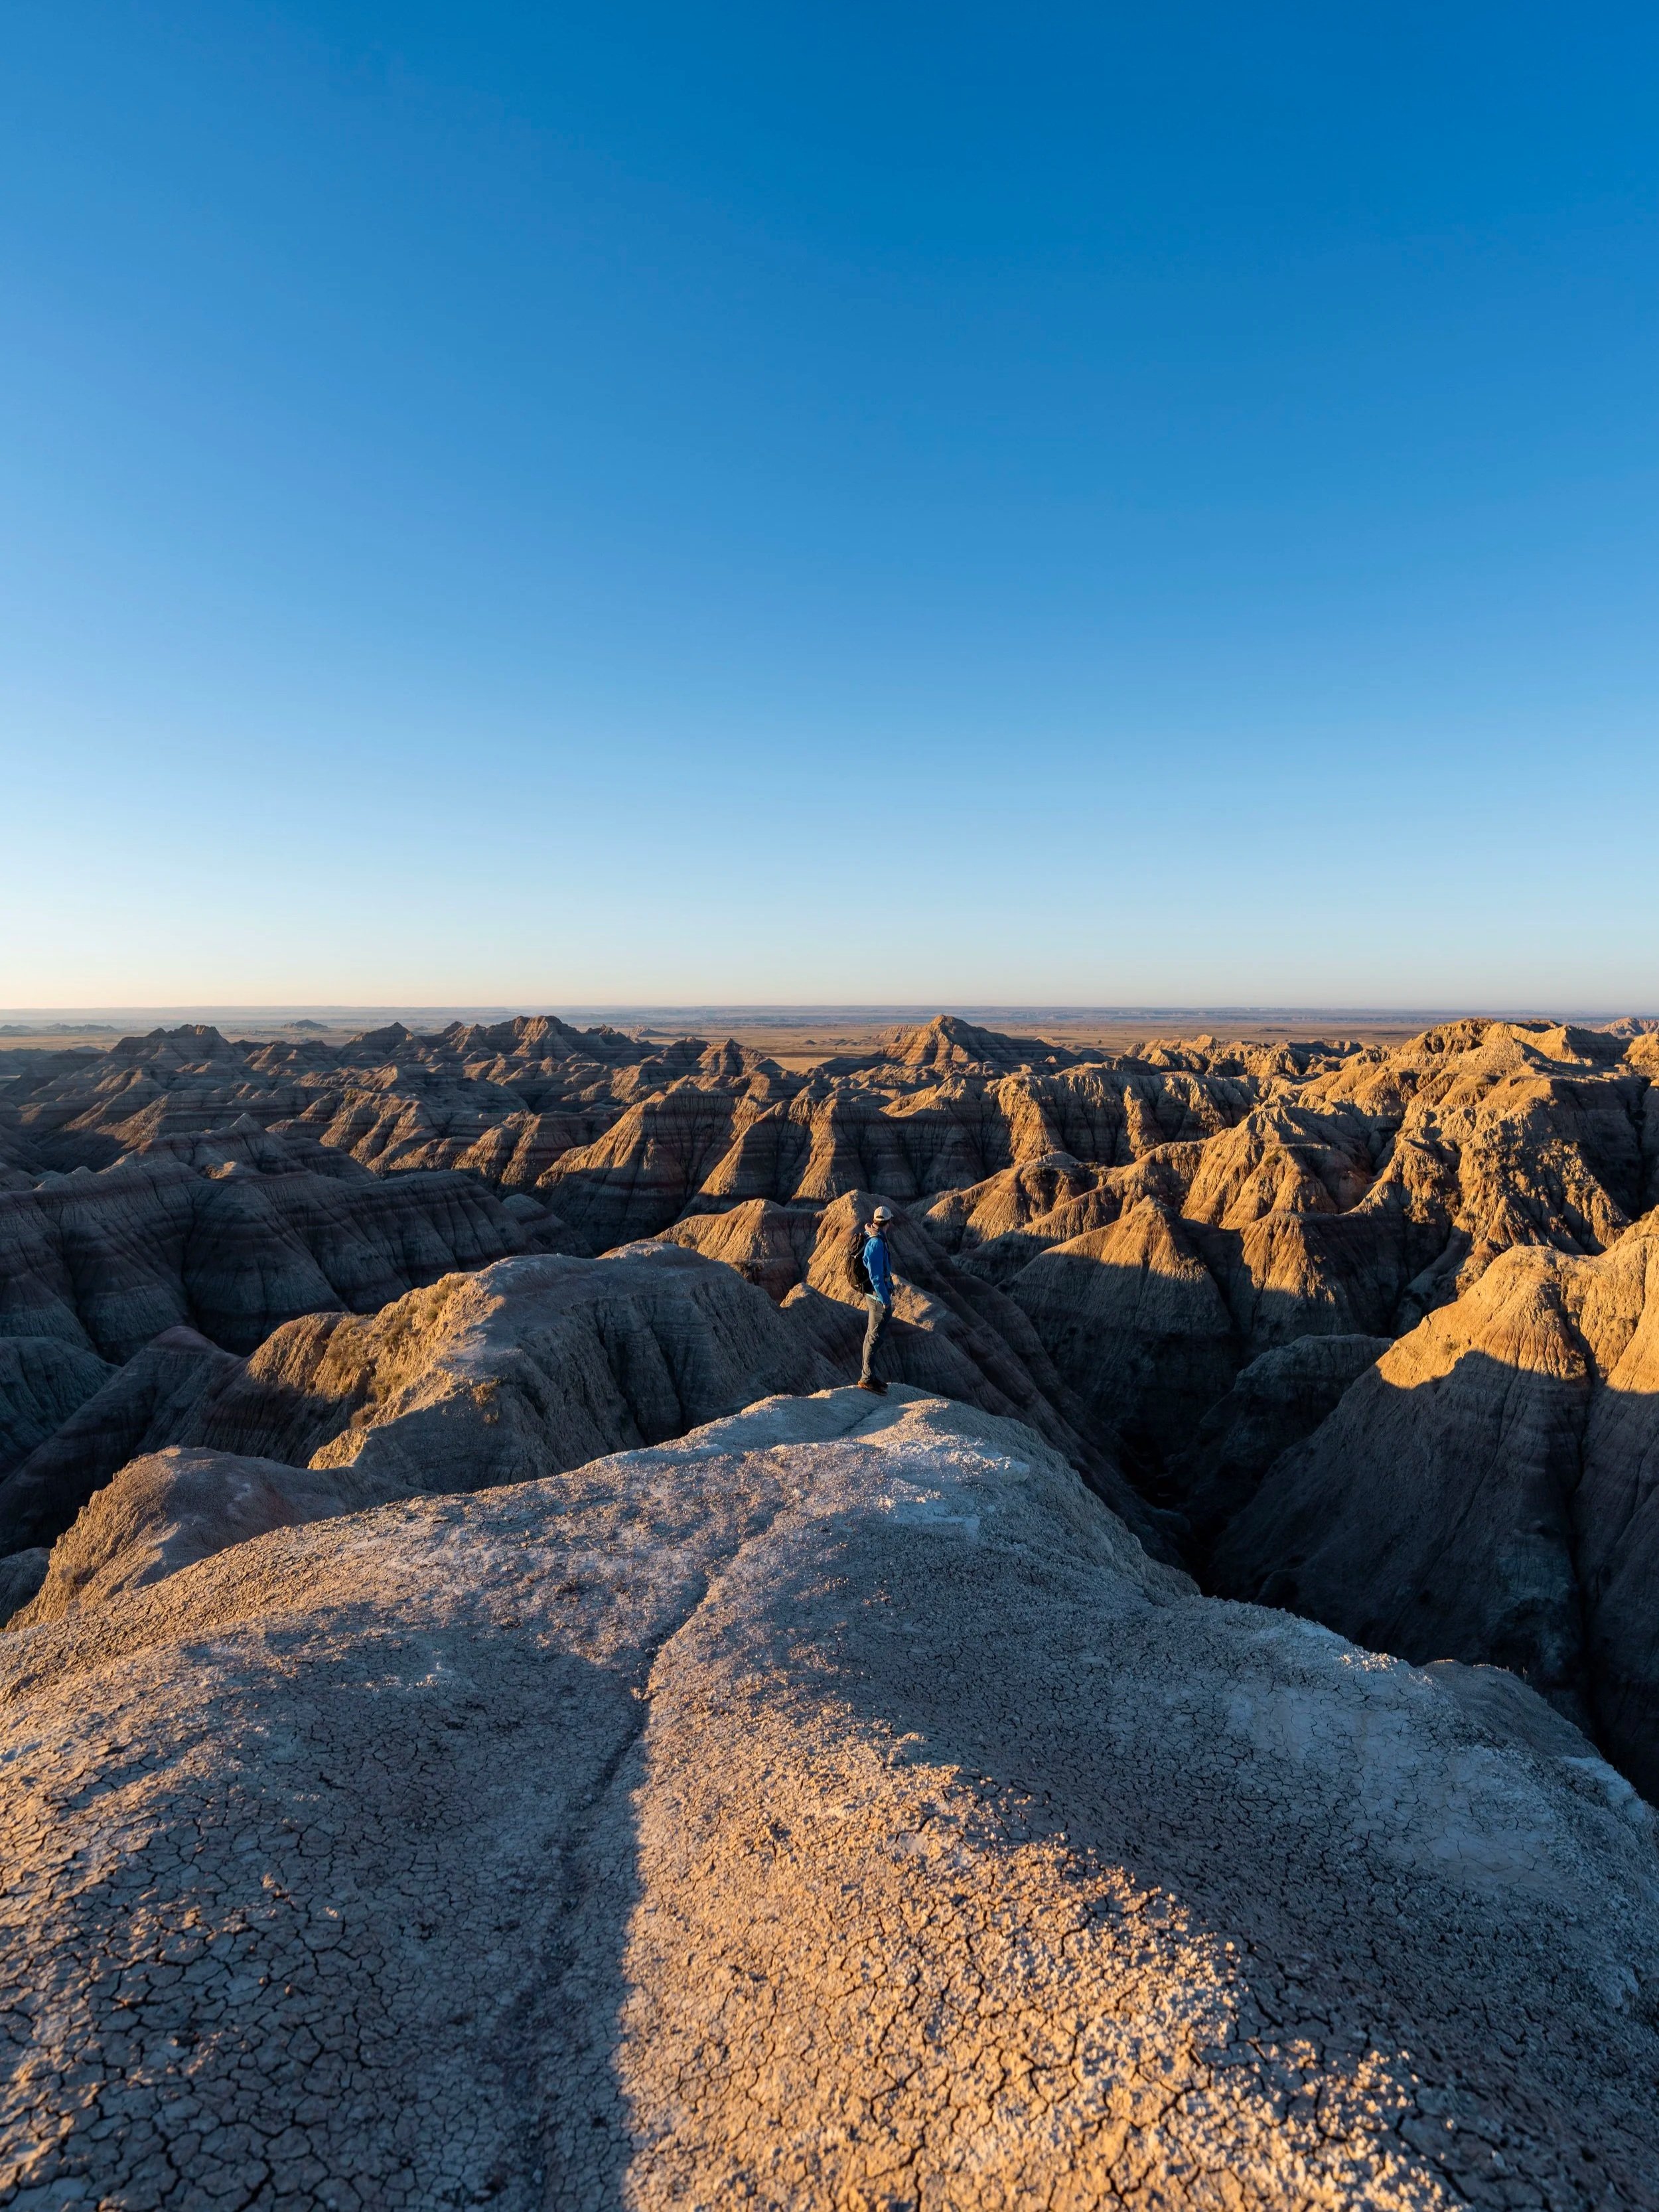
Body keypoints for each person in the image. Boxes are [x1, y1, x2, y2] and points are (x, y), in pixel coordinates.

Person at [857, 1204, 898, 1393]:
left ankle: (869, 1375)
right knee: (874, 1338)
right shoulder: (876, 1243)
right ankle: (866, 1378)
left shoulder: (872, 1236)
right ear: (887, 1223)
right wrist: (885, 1299)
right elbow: (875, 1276)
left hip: (873, 1295)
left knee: (871, 1336)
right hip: (876, 1297)